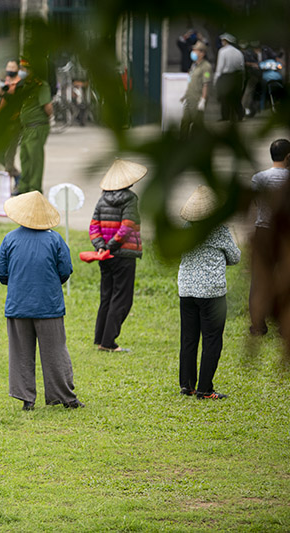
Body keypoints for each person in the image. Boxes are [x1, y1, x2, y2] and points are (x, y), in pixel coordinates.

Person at [0, 191, 82, 410]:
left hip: (18, 305)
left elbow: (0, 269)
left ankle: (26, 399)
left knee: (20, 354)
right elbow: (65, 269)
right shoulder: (54, 239)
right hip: (49, 305)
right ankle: (65, 397)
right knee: (56, 353)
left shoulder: (10, 239)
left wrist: (15, 283)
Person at [177, 186, 241, 400]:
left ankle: (187, 385)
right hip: (212, 293)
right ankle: (205, 389)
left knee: (188, 338)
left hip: (186, 290)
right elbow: (235, 257)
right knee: (212, 340)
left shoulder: (184, 228)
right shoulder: (219, 230)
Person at [88, 159, 146, 352]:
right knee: (122, 298)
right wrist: (112, 247)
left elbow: (93, 226)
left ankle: (100, 338)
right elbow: (127, 226)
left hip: (105, 256)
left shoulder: (102, 199)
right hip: (123, 255)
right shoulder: (131, 199)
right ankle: (108, 342)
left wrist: (101, 247)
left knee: (107, 295)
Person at [249, 138, 290, 336]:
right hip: (285, 233)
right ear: (288, 157)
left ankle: (258, 325)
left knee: (259, 278)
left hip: (262, 229)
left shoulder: (258, 178)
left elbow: (256, 204)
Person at [17, 59, 52, 194]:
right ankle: (24, 187)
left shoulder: (41, 86)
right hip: (26, 128)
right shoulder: (26, 85)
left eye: (25, 69)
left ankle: (34, 189)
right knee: (24, 157)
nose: (22, 71)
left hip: (37, 127)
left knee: (35, 159)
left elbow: (47, 107)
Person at [0, 60, 24, 184]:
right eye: (8, 66)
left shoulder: (20, 84)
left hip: (14, 123)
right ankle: (16, 174)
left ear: (17, 69)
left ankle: (15, 180)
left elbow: (17, 100)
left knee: (9, 156)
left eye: (12, 67)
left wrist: (4, 93)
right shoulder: (5, 81)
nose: (9, 69)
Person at [179, 41, 212, 139]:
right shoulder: (194, 65)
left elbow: (206, 84)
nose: (193, 52)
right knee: (184, 122)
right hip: (189, 98)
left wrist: (203, 99)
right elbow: (190, 82)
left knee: (197, 124)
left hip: (197, 99)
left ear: (202, 53)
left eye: (195, 50)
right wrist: (185, 95)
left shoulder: (206, 67)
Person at [214, 33, 245, 122]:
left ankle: (225, 116)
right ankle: (240, 114)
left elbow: (220, 67)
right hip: (237, 76)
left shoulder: (222, 51)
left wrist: (216, 79)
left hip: (226, 76)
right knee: (236, 97)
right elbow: (242, 66)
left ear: (225, 41)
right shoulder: (238, 52)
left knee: (224, 96)